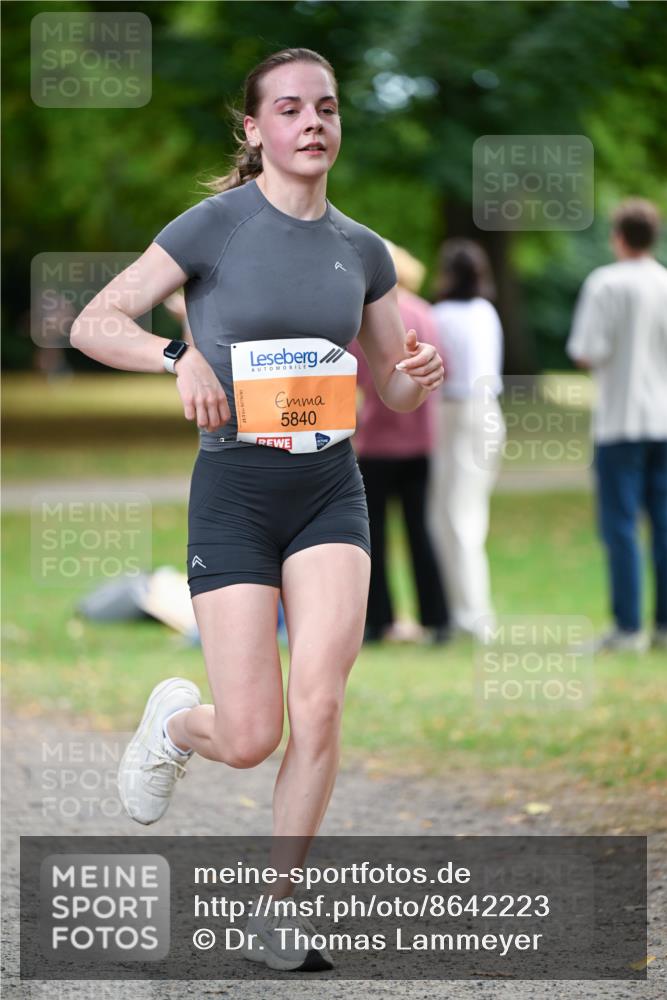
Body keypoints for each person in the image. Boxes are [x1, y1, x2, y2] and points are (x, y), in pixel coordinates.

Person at [70, 47, 444, 971]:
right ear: (255, 130)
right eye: (289, 109)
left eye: (325, 108)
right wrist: (176, 357)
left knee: (317, 704)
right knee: (249, 735)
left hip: (328, 492)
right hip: (234, 492)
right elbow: (94, 321)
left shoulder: (360, 250)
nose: (312, 122)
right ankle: (173, 727)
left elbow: (392, 385)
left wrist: (414, 377)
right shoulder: (211, 227)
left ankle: (280, 910)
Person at [566, 198, 667, 653]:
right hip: (662, 420)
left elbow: (587, 350)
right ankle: (663, 625)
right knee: (663, 524)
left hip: (621, 420)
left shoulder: (605, 283)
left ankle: (628, 628)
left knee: (621, 526)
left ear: (619, 236)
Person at [348, 240, 450, 644]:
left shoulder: (368, 318)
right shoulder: (425, 314)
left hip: (377, 441)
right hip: (420, 440)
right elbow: (445, 370)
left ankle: (378, 620)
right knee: (421, 530)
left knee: (373, 535)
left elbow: (355, 375)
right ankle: (437, 618)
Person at [429, 240, 505, 641]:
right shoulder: (486, 312)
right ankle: (464, 610)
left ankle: (471, 614)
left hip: (457, 412)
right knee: (464, 515)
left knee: (454, 518)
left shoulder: (440, 316)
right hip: (488, 411)